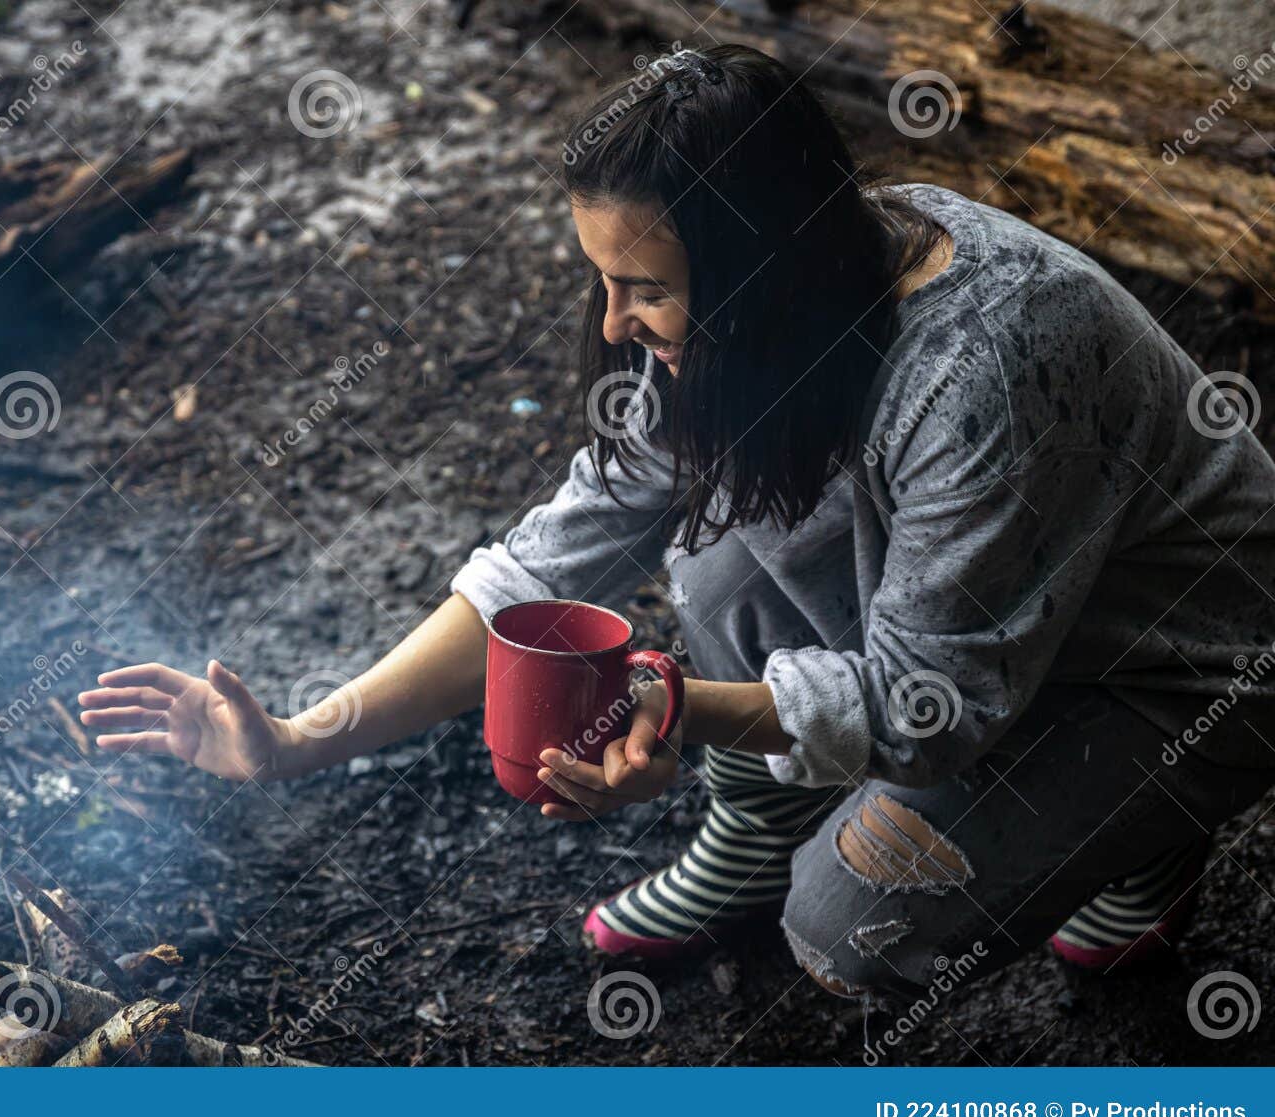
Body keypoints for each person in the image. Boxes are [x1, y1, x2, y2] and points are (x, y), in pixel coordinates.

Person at [79, 45, 1275, 1001]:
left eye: (642, 288)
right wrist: (300, 736)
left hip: (1170, 670)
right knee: (712, 541)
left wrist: (675, 706)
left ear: (763, 262)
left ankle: (1148, 825)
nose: (611, 324)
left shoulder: (993, 367)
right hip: (988, 617)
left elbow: (934, 703)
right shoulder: (791, 292)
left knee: (845, 924)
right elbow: (559, 552)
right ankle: (760, 827)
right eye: (603, 278)